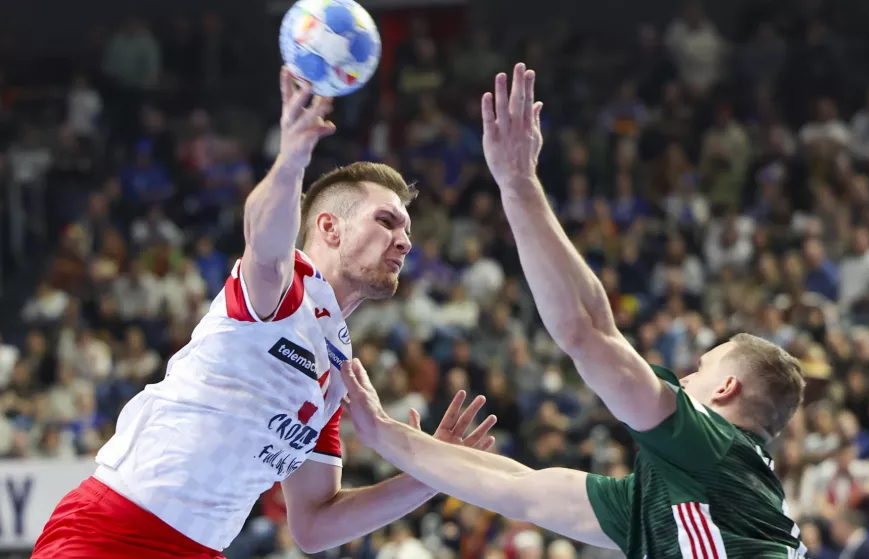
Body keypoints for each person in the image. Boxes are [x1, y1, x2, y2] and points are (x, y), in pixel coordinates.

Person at [338, 64, 809, 559]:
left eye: (698, 369)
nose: (684, 379)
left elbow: (587, 331)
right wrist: (385, 436)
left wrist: (519, 185)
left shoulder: (709, 444)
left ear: (726, 388)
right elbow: (521, 491)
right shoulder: (675, 497)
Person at [31, 68, 496, 559]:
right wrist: (292, 158)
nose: (405, 240)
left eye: (406, 228)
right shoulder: (282, 287)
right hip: (112, 533)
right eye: (386, 221)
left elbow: (315, 526)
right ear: (329, 227)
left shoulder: (336, 368)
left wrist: (435, 473)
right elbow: (263, 238)